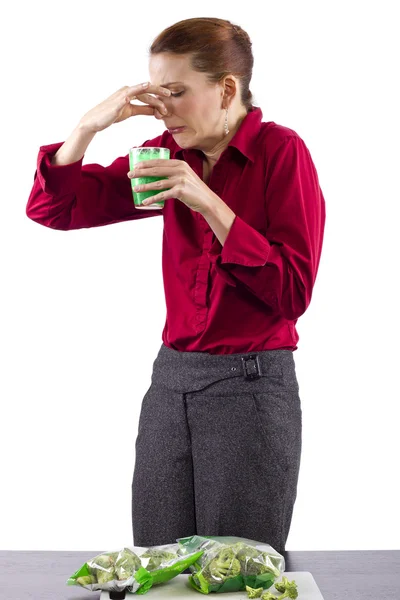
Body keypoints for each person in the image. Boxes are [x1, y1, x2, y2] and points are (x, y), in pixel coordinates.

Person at [26, 17, 326, 556]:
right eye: (156, 92)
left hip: (252, 385)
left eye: (177, 92)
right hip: (171, 382)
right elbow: (55, 208)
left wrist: (208, 202)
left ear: (226, 89)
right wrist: (89, 127)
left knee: (233, 571)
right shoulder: (164, 155)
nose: (162, 108)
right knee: (157, 564)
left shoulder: (282, 154)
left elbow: (293, 293)